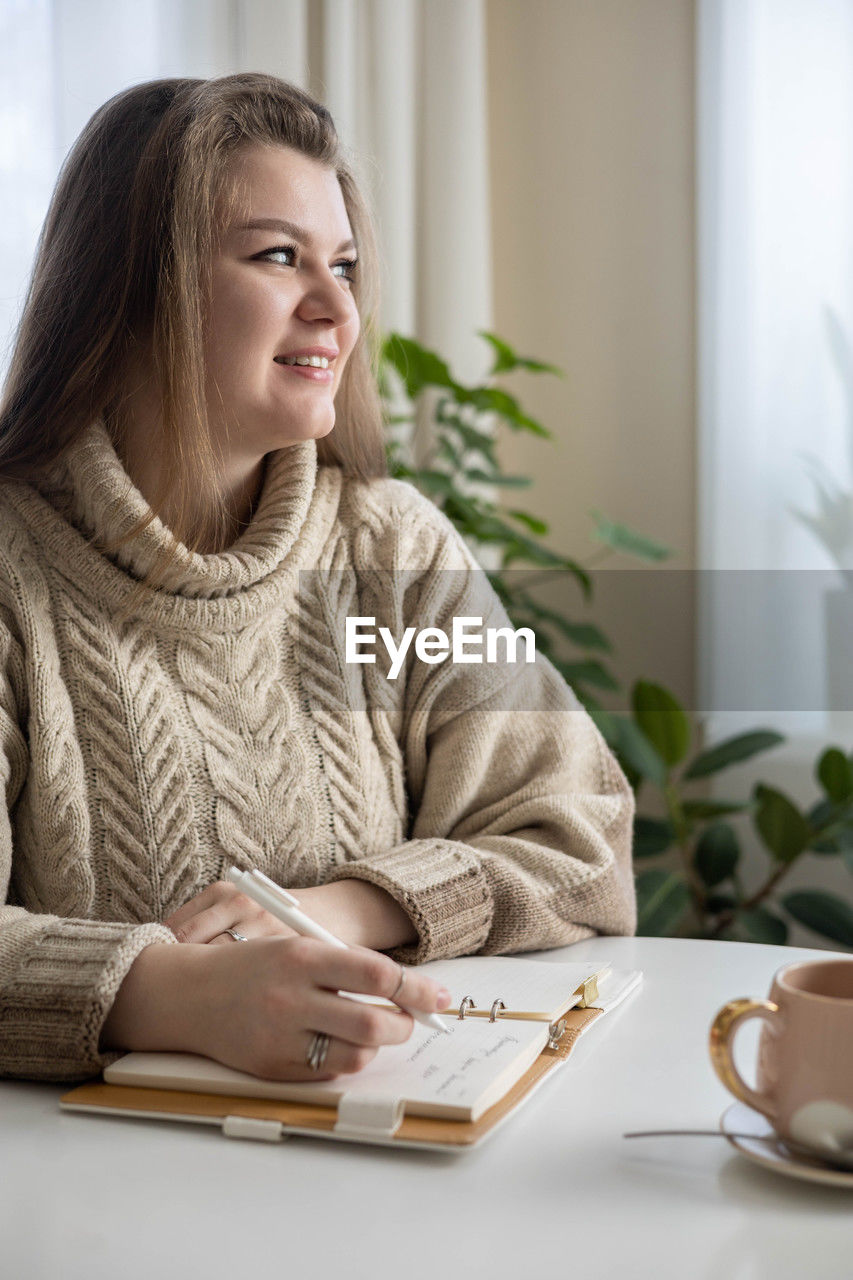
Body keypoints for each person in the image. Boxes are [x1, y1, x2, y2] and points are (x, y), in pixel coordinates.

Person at [0, 73, 635, 1086]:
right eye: (278, 256)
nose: (338, 304)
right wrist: (165, 992)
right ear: (126, 290)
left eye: (341, 263)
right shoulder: (11, 571)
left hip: (376, 1175)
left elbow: (579, 836)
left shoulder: (398, 551)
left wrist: (344, 906)